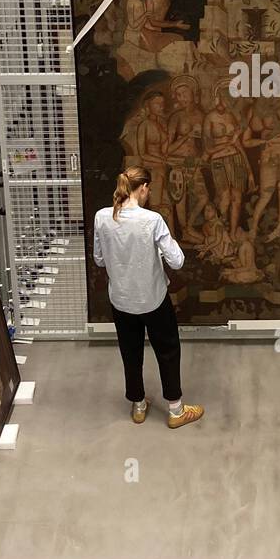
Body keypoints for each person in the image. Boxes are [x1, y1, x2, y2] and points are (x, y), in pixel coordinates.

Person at [92, 166, 204, 429]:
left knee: (130, 352)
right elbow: (177, 261)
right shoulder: (152, 220)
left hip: (120, 299)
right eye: (148, 189)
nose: (149, 193)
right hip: (153, 299)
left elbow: (98, 258)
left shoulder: (101, 217)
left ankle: (139, 405)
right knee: (167, 350)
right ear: (142, 188)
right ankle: (176, 411)